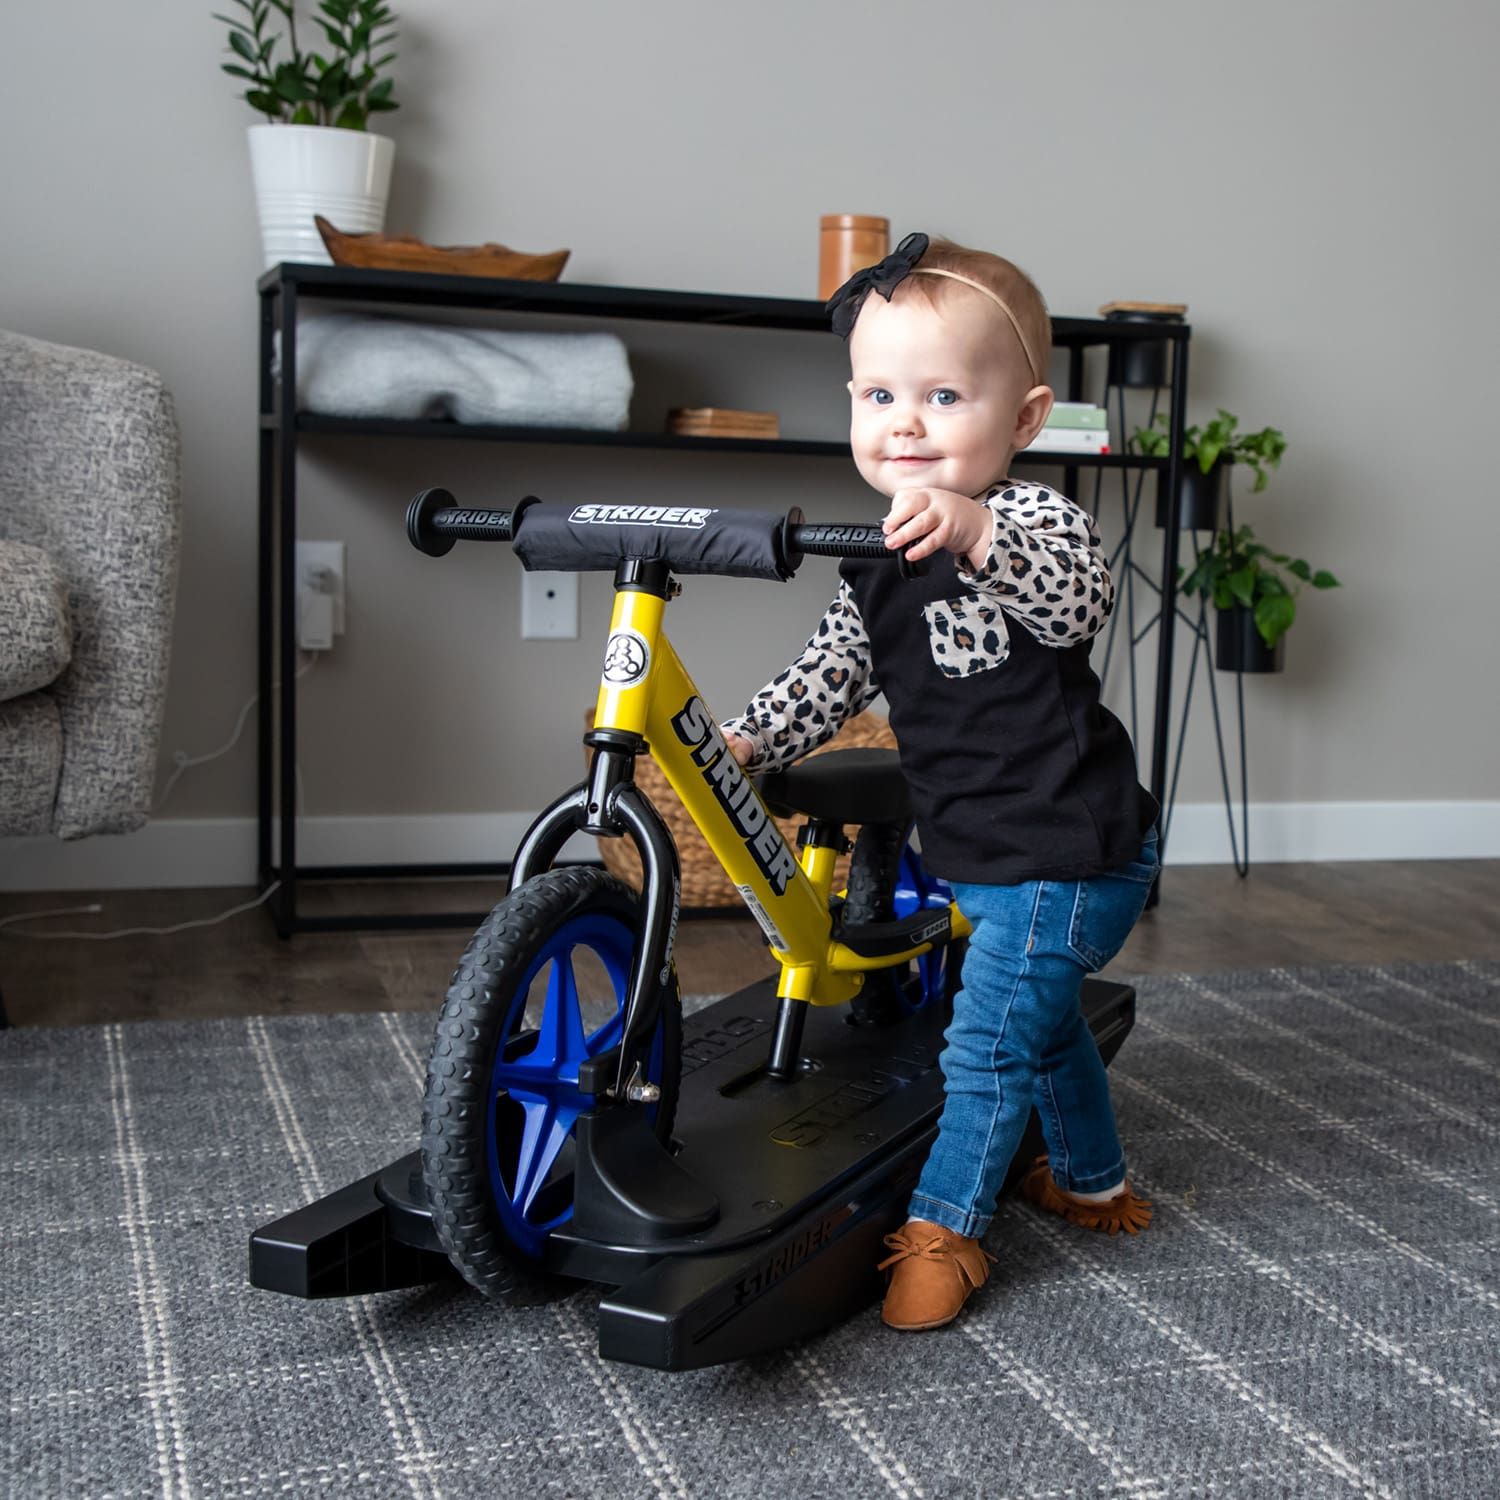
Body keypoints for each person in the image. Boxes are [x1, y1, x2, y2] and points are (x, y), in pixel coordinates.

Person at [721, 232, 1161, 1332]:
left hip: (1073, 847)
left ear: (1020, 421)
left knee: (985, 1040)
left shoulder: (1034, 519)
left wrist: (976, 536)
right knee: (1040, 1027)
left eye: (943, 394)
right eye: (877, 393)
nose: (903, 421)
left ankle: (946, 1231)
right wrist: (747, 739)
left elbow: (1076, 604)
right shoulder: (871, 562)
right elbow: (830, 674)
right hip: (983, 852)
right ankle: (1092, 1183)